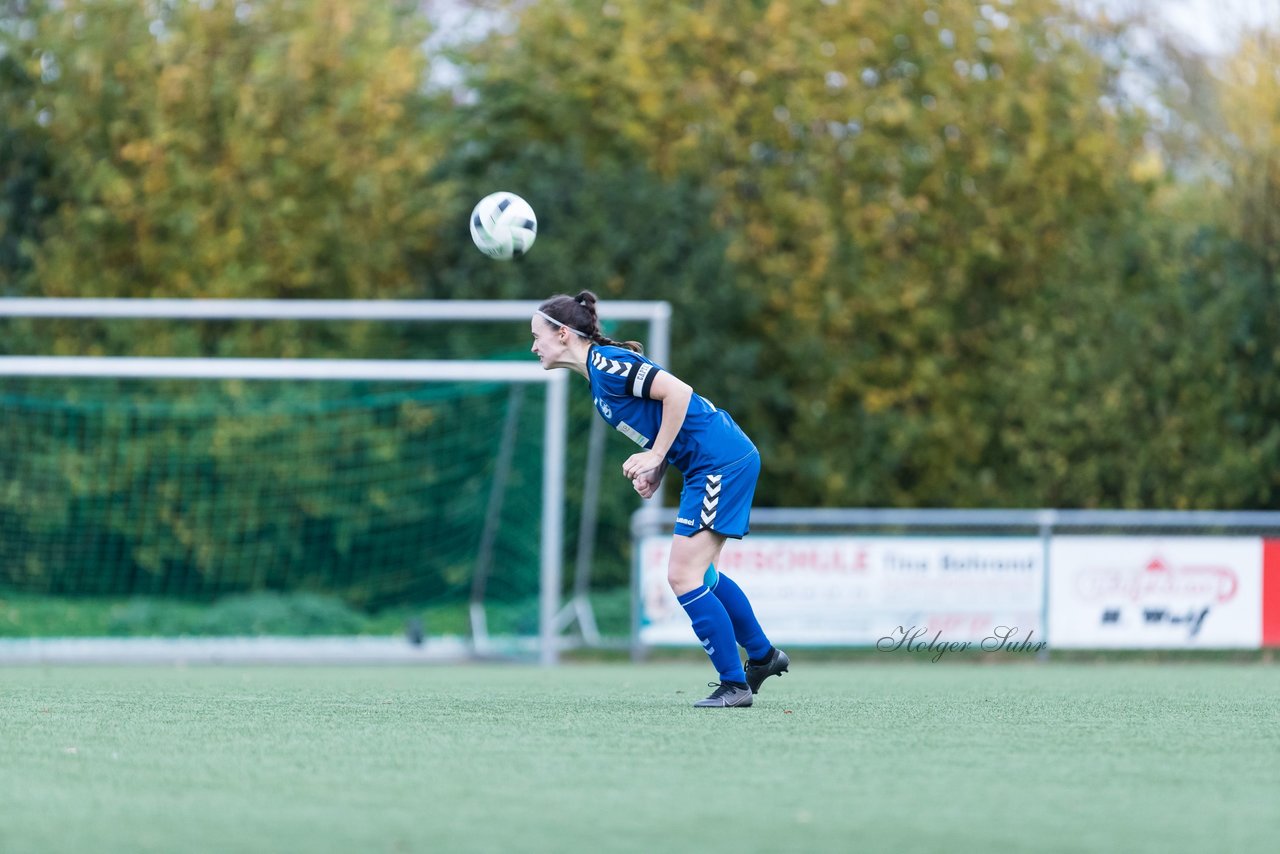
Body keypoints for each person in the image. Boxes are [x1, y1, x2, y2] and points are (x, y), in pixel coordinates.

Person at [531, 291, 789, 708]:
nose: (533, 346)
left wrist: (654, 455)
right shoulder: (598, 379)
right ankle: (761, 657)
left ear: (563, 334)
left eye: (537, 336)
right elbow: (664, 419)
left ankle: (735, 685)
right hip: (711, 462)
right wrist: (658, 467)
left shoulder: (609, 365)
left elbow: (679, 393)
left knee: (682, 576)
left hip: (719, 461)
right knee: (701, 576)